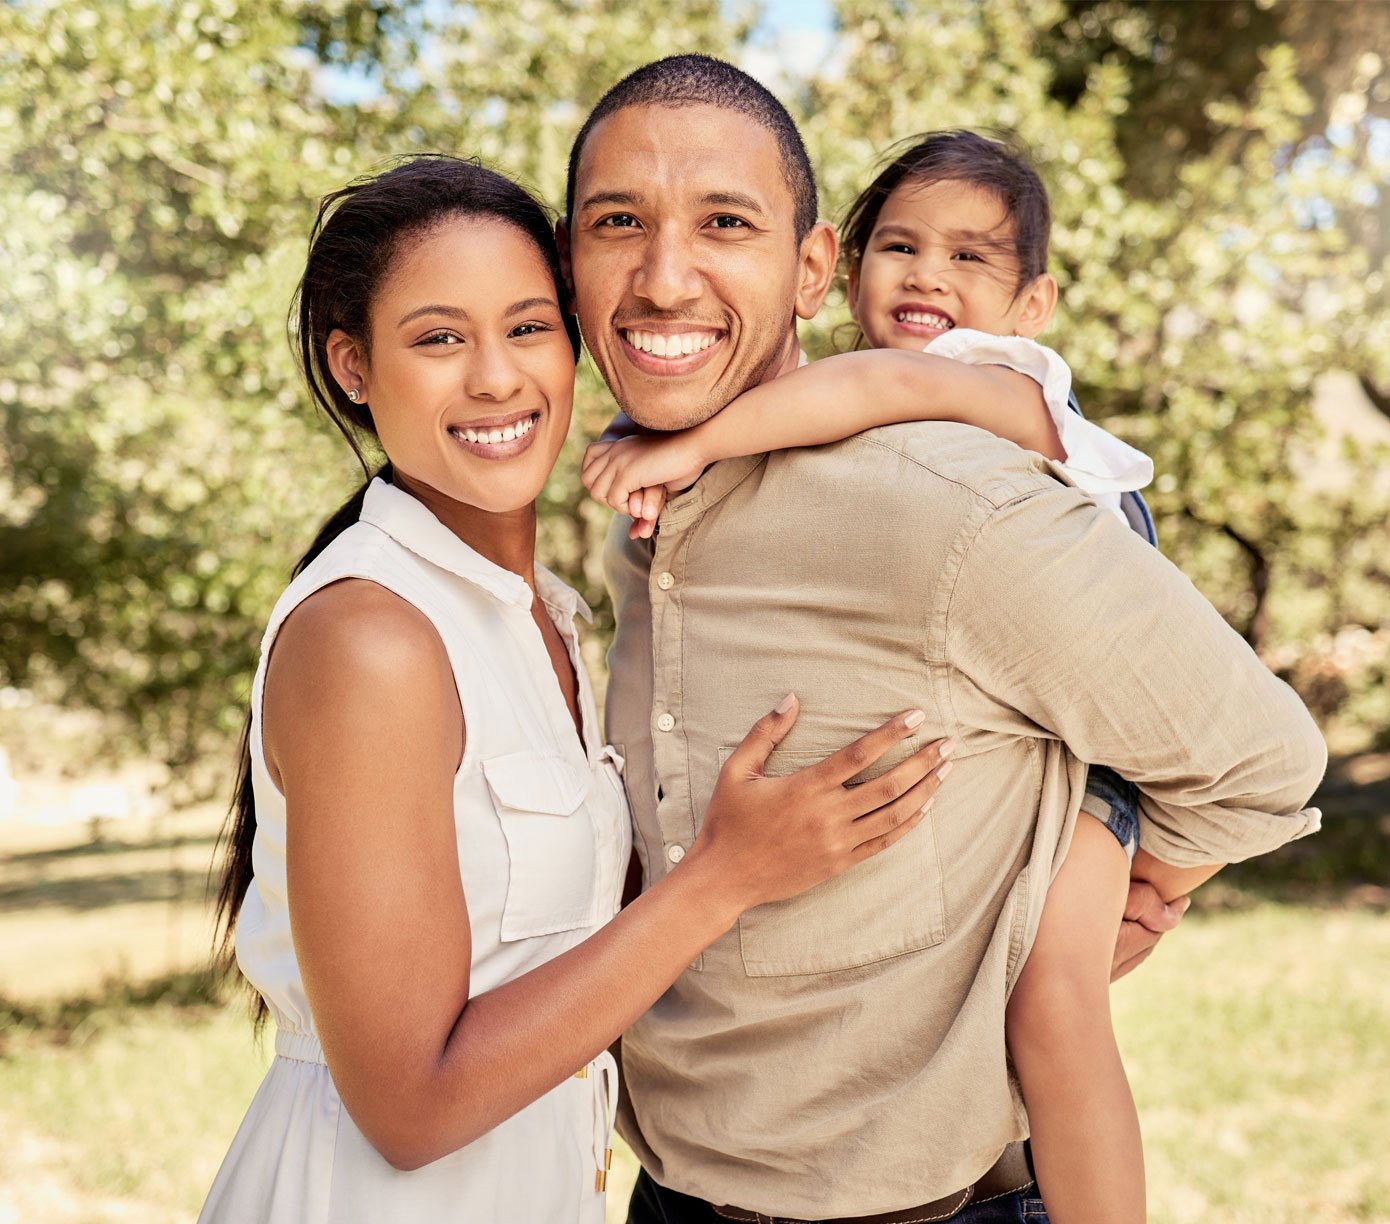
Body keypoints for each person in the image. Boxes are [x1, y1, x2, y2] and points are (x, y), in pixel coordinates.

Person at [558, 54, 1327, 1223]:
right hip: (669, 1199)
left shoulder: (946, 495)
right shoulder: (639, 513)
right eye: (618, 222)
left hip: (927, 1212)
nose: (665, 278)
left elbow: (1263, 759)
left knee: (1058, 1011)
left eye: (725, 221)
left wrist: (1140, 884)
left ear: (812, 269)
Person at [199, 153, 954, 1224]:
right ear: (353, 367)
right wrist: (724, 877)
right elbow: (408, 1108)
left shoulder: (544, 612)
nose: (497, 379)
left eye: (526, 327)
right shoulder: (371, 637)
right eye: (437, 339)